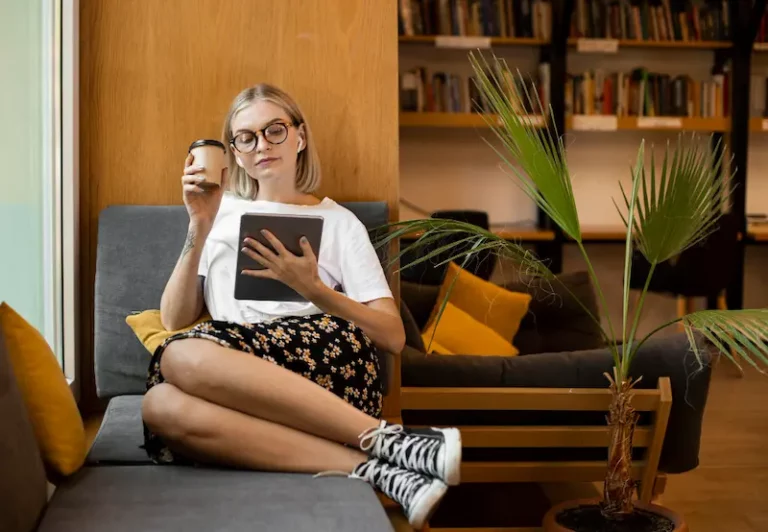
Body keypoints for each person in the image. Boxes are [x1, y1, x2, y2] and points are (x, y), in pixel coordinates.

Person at [140, 83, 462, 528]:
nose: (262, 146)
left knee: (179, 353)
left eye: (274, 130)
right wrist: (199, 224)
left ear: (300, 137)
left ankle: (381, 436)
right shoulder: (218, 211)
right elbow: (175, 318)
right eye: (246, 137)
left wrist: (316, 292)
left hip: (325, 358)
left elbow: (393, 336)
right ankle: (388, 468)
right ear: (234, 152)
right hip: (240, 370)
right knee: (158, 405)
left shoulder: (339, 222)